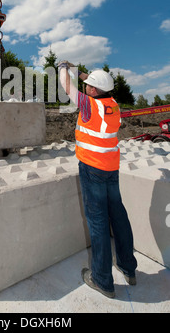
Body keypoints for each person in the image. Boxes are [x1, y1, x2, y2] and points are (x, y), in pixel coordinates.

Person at [58, 62, 137, 299]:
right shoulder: (113, 105)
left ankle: (102, 280)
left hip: (92, 169)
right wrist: (79, 70)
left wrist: (62, 67)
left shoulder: (88, 105)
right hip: (111, 169)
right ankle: (128, 268)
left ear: (93, 91)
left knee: (98, 222)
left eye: (88, 85)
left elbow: (65, 84)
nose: (86, 86)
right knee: (119, 216)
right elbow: (97, 84)